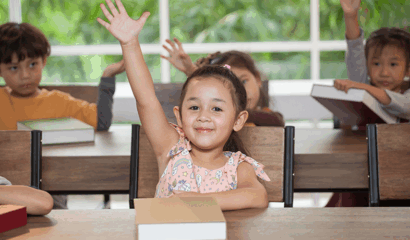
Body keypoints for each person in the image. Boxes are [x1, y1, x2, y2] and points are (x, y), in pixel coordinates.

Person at [97, 0, 270, 211]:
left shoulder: (239, 167)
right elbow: (146, 100)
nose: (203, 116)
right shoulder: (170, 150)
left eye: (216, 108)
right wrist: (129, 44)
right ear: (179, 116)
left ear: (238, 120)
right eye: (194, 107)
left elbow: (258, 196)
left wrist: (196, 202)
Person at [327, 0, 410, 207]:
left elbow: (403, 106)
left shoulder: (403, 93)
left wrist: (360, 87)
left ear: (408, 70)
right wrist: (350, 16)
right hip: (361, 171)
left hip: (401, 174)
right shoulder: (363, 85)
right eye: (376, 63)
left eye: (393, 64)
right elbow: (355, 51)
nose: (383, 72)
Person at [0, 22, 125, 131]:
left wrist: (108, 76)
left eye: (32, 64)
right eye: (14, 68)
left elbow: (101, 122)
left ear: (43, 61)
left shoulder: (58, 102)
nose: (25, 75)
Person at [161, 38, 285, 127]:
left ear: (257, 79)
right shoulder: (216, 120)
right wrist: (193, 72)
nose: (242, 91)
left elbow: (277, 121)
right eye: (232, 85)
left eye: (244, 81)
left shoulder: (268, 116)